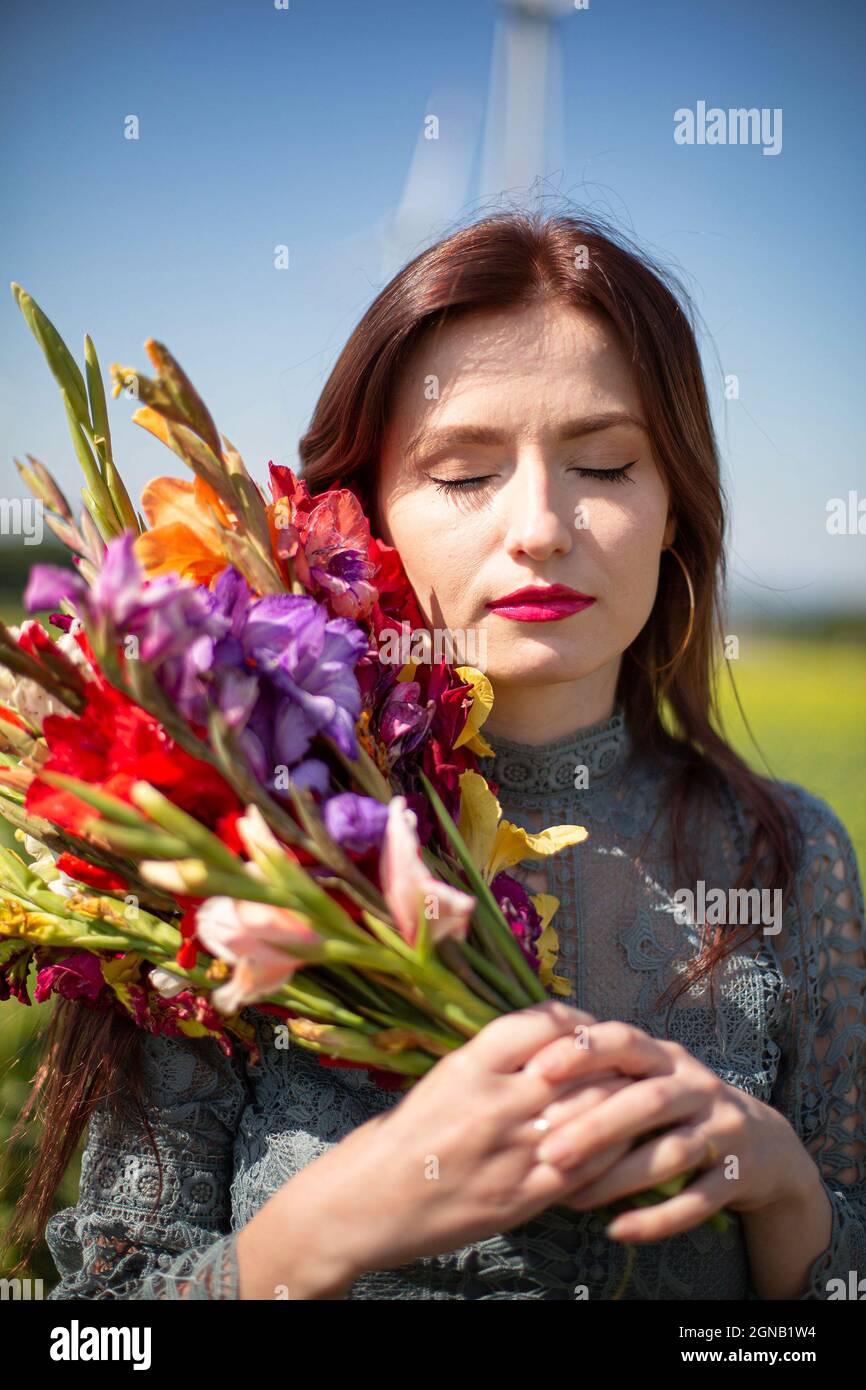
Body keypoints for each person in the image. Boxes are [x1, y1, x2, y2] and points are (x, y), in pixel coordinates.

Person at [16, 210, 865, 1300]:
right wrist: (323, 1229)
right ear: (358, 513)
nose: (541, 525)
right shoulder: (234, 836)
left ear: (671, 507)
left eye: (603, 464)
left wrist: (781, 1189)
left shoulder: (785, 858)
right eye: (463, 475)